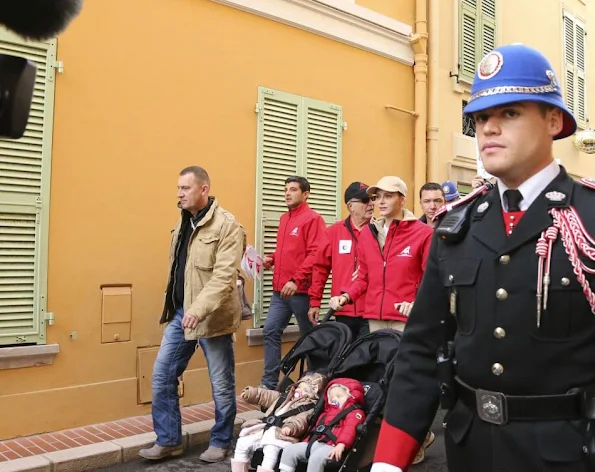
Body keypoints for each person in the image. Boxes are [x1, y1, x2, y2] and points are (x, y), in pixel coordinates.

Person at [371, 44, 595, 472]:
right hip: (470, 449)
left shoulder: (588, 216)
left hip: (566, 454)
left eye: (509, 113)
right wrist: (388, 462)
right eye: (480, 118)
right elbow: (420, 348)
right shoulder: (458, 227)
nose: (488, 128)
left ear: (553, 120)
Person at [139, 166, 243, 463]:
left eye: (185, 188)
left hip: (213, 316)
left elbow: (224, 277)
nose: (179, 194)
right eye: (178, 188)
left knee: (221, 383)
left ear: (203, 190)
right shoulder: (184, 221)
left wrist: (198, 310)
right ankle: (169, 440)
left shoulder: (227, 225)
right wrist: (180, 308)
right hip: (182, 312)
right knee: (162, 375)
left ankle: (221, 440)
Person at [329, 176, 433, 333]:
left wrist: (417, 303)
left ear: (402, 200)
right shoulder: (368, 233)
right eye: (377, 197)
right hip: (375, 318)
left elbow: (431, 277)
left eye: (388, 196)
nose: (381, 202)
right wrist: (345, 297)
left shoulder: (423, 233)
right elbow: (363, 277)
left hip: (406, 317)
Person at [261, 176, 326, 390]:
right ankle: (269, 384)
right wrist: (272, 258)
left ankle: (312, 383)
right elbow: (289, 252)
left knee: (309, 339)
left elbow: (314, 254)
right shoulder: (284, 219)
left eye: (293, 189)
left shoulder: (313, 219)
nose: (288, 193)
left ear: (305, 194)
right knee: (270, 331)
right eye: (286, 189)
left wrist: (296, 280)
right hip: (280, 292)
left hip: (301, 292)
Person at [308, 182, 374, 339]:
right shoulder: (333, 232)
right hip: (343, 310)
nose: (371, 204)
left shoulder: (380, 231)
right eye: (365, 200)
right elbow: (320, 269)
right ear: (351, 206)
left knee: (367, 358)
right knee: (344, 358)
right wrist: (315, 301)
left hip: (371, 310)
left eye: (373, 199)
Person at [232, 372, 327, 472]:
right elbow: (266, 395)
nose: (301, 391)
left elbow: (301, 421)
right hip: (265, 430)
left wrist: (290, 427)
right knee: (242, 442)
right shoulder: (284, 397)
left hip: (282, 437)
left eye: (306, 390)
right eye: (300, 387)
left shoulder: (308, 408)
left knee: (270, 451)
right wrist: (251, 393)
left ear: (314, 395)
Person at [279, 378, 366, 472]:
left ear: (351, 396)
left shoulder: (354, 413)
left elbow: (350, 429)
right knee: (289, 450)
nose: (335, 399)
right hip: (314, 443)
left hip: (333, 447)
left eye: (339, 396)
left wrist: (342, 444)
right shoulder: (325, 413)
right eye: (332, 397)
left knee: (316, 458)